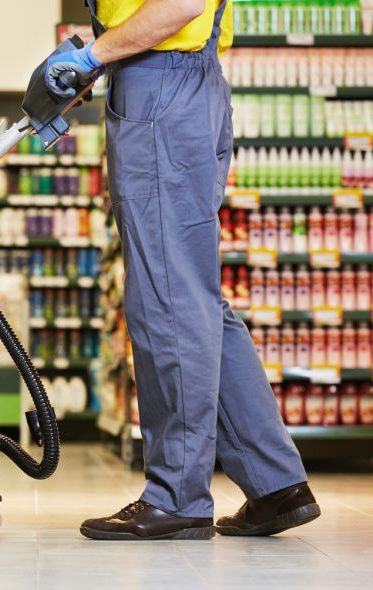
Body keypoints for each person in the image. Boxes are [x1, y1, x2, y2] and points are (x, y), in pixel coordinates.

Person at [45, 0, 321, 540]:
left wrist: (95, 55)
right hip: (178, 86)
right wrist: (98, 58)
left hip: (163, 89)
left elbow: (181, 2)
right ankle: (275, 484)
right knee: (194, 300)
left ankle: (177, 497)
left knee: (167, 297)